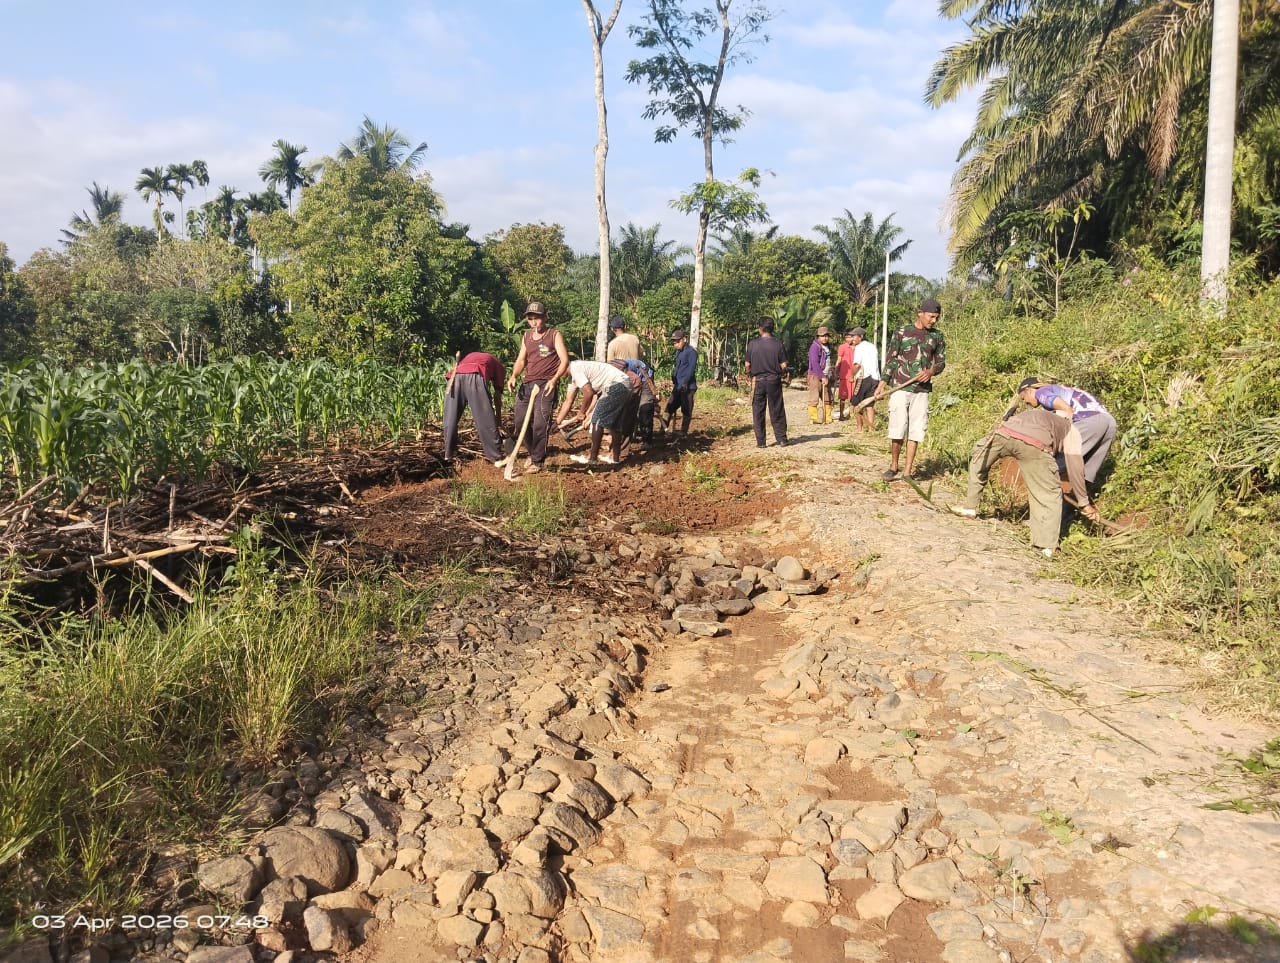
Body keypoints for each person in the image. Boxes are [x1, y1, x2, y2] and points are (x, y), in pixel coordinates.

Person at [949, 406, 1100, 557]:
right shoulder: (1070, 429)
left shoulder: (1035, 413)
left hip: (1003, 434)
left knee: (978, 460)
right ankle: (1046, 546)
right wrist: (1084, 502)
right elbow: (1076, 468)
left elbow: (1007, 425)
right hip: (1034, 445)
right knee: (1048, 493)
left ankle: (970, 507)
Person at [875, 297, 946, 480]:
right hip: (900, 386)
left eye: (936, 317)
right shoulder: (902, 331)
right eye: (931, 316)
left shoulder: (937, 337)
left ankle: (908, 471)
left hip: (921, 391)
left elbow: (941, 363)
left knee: (916, 429)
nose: (934, 321)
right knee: (897, 427)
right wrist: (882, 384)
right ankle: (893, 466)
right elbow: (891, 359)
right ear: (920, 313)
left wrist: (931, 371)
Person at [1013, 377, 1117, 496]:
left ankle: (1053, 493)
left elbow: (1066, 409)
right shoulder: (1059, 389)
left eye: (1024, 398)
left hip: (1090, 422)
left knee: (1053, 463)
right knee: (1086, 470)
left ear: (1029, 390)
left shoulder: (1041, 392)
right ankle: (1077, 502)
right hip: (1109, 423)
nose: (1026, 402)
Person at [506, 300, 569, 475]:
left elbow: (564, 360)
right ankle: (533, 452)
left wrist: (554, 379)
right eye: (531, 318)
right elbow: (521, 360)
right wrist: (514, 376)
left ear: (545, 317)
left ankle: (537, 460)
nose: (534, 322)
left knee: (541, 422)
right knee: (519, 423)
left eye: (538, 318)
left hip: (546, 384)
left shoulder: (554, 335)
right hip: (527, 384)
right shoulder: (526, 337)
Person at [556, 359, 635, 466]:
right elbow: (568, 401)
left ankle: (593, 459)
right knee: (616, 425)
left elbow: (588, 392)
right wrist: (557, 423)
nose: (557, 374)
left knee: (597, 420)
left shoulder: (576, 369)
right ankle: (615, 459)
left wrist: (582, 412)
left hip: (617, 385)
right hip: (625, 384)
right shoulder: (573, 377)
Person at [442, 352, 505, 465]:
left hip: (455, 376)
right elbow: (497, 396)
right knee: (485, 418)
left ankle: (448, 454)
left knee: (450, 418)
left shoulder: (471, 356)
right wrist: (498, 418)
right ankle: (496, 457)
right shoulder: (499, 366)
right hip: (475, 374)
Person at [743, 316, 789, 448]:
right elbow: (784, 364)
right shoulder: (778, 343)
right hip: (773, 379)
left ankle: (761, 441)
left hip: (758, 380)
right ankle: (781, 439)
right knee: (777, 409)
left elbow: (747, 364)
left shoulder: (752, 344)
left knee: (758, 411)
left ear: (761, 328)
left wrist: (750, 373)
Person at [664, 330, 698, 435]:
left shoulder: (691, 352)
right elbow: (678, 367)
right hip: (678, 385)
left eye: (677, 342)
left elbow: (691, 369)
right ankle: (663, 428)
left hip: (687, 386)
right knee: (669, 406)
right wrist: (674, 376)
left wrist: (686, 382)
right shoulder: (679, 352)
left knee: (686, 408)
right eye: (674, 342)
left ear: (684, 339)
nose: (676, 344)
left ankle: (683, 431)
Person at [850, 327, 880, 433]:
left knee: (857, 404)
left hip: (864, 378)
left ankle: (860, 428)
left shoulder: (859, 347)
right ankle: (871, 428)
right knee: (869, 405)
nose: (852, 338)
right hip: (875, 378)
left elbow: (857, 365)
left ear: (861, 337)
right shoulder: (872, 346)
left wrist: (851, 375)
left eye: (854, 336)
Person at [807, 326, 833, 425]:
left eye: (826, 336)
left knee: (827, 397)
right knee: (814, 396)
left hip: (825, 374)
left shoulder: (826, 347)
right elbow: (814, 363)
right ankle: (813, 418)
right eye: (822, 336)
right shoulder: (814, 347)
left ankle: (827, 417)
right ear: (818, 337)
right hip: (815, 375)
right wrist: (821, 376)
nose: (825, 338)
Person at [836, 330, 857, 421]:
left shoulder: (858, 347)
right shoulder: (842, 347)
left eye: (850, 337)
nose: (848, 339)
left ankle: (851, 414)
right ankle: (841, 414)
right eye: (847, 337)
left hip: (855, 375)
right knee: (843, 397)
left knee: (853, 396)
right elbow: (839, 360)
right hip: (844, 375)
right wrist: (836, 370)